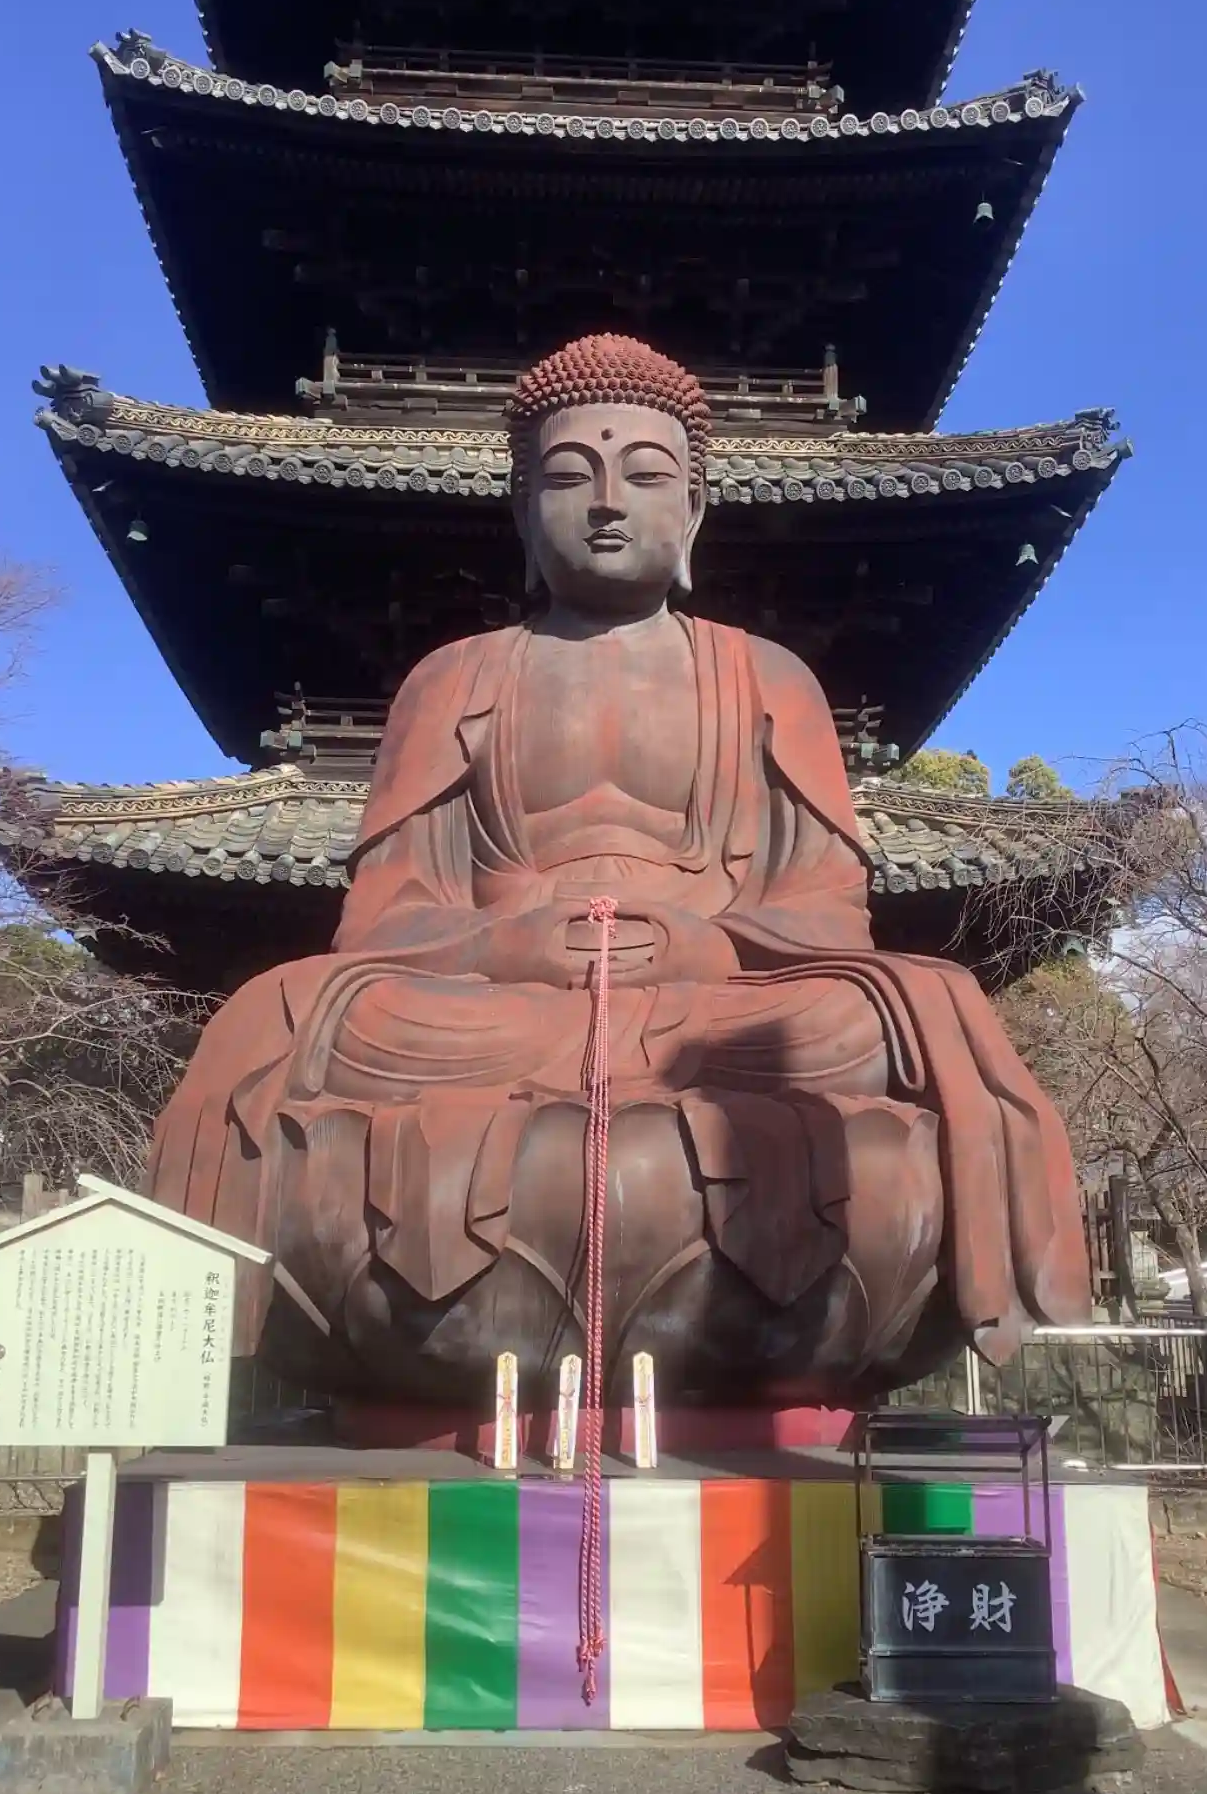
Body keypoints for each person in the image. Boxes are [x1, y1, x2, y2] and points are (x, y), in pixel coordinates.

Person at [147, 334, 1088, 1408]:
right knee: (284, 1008)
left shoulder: (767, 677)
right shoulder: (452, 679)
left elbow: (827, 908)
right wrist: (502, 943)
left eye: (644, 474)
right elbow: (386, 915)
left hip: (715, 1010)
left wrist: (710, 943)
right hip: (495, 1007)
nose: (605, 503)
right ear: (521, 513)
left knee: (903, 1010)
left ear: (694, 510)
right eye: (567, 477)